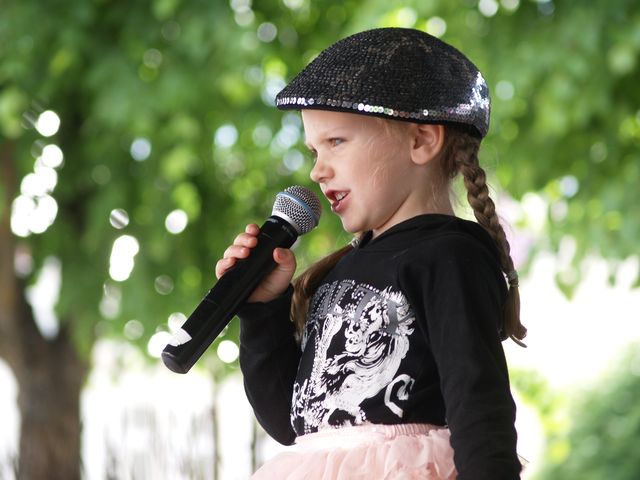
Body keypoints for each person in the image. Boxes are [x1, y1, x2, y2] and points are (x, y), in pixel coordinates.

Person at [216, 28, 526, 479]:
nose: (317, 170)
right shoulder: (340, 271)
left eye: (336, 142)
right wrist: (262, 309)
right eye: (313, 150)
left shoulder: (449, 255)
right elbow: (290, 421)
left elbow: (479, 408)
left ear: (421, 140)